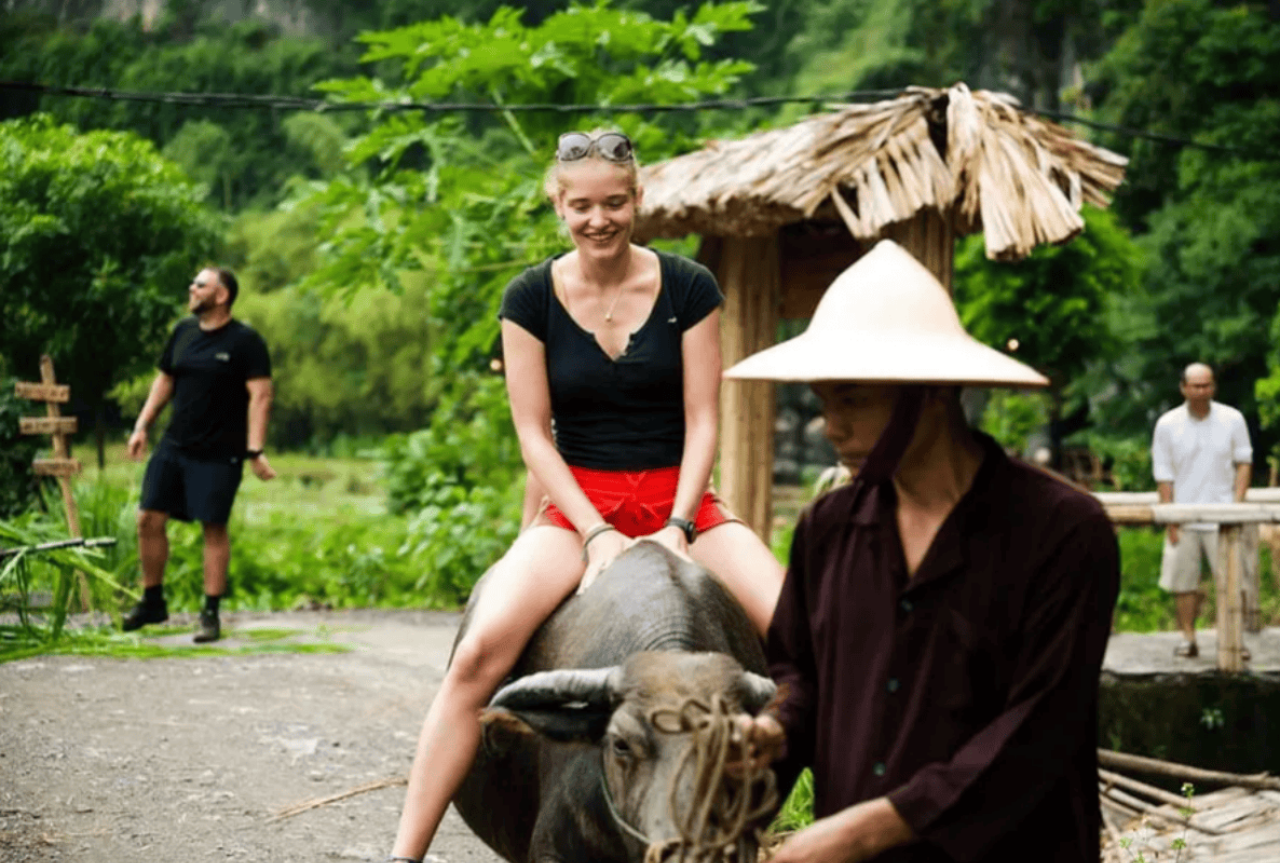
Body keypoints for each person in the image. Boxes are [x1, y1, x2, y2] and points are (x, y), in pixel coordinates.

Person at [386, 130, 785, 863]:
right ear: (558, 206)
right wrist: (596, 531)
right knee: (477, 657)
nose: (598, 219)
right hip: (575, 506)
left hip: (682, 499)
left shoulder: (690, 285)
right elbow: (534, 433)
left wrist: (676, 524)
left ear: (638, 200)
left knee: (811, 634)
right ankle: (404, 852)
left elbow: (704, 419)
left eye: (613, 202)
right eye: (581, 206)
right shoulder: (530, 296)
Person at [731, 240, 1120, 863]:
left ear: (931, 391)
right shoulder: (827, 530)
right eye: (824, 399)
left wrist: (868, 829)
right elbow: (798, 673)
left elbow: (1038, 730)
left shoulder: (1062, 533)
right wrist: (775, 731)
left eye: (853, 399)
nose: (831, 426)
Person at [122, 266, 276, 644]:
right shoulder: (183, 332)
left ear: (221, 296)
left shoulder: (245, 342)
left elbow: (261, 395)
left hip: (220, 452)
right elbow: (165, 380)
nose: (191, 288)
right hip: (174, 445)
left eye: (200, 284)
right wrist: (142, 424)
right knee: (148, 518)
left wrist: (255, 449)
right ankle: (153, 601)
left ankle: (210, 613)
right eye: (193, 282)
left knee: (213, 527)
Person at [1151, 362, 1252, 659]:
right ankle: (1188, 637)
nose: (1201, 391)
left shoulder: (1232, 419)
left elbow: (1244, 461)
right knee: (1183, 582)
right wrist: (1170, 517)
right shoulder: (1167, 424)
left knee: (1233, 581)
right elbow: (1163, 472)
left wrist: (1238, 505)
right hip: (1183, 513)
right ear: (1183, 387)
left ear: (1213, 387)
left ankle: (1234, 637)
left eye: (1206, 385)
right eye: (1195, 385)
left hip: (1224, 514)